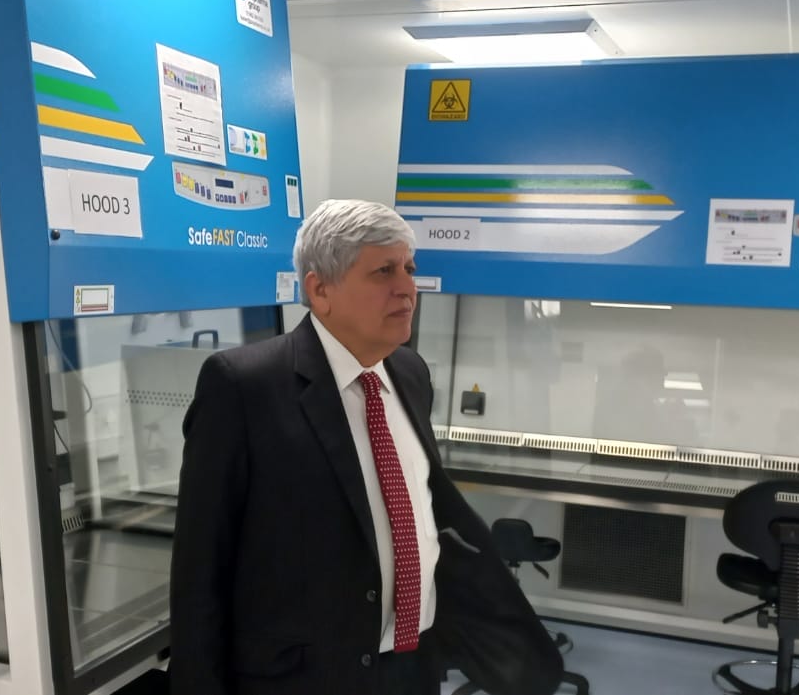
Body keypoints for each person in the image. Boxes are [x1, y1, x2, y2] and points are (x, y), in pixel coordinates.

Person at [170, 200, 561, 695]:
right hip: (306, 677)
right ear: (320, 290)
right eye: (383, 271)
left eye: (408, 269)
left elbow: (420, 506)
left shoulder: (410, 373)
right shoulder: (245, 387)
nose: (407, 288)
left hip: (413, 665)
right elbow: (199, 572)